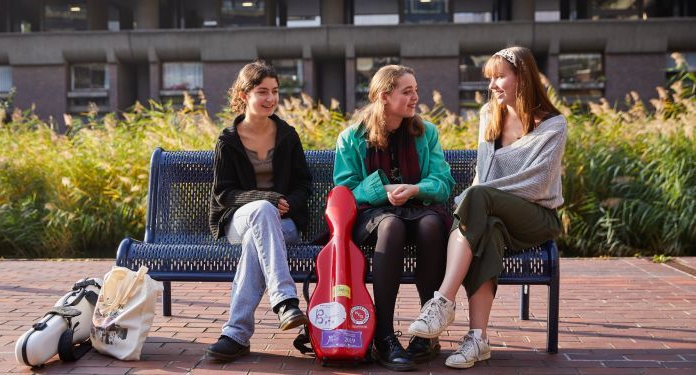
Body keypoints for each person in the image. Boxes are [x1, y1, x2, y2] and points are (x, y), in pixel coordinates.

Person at [407, 46, 567, 369]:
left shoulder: (553, 125)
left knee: (476, 196)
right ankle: (478, 338)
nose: (492, 85)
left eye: (499, 77)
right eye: (489, 79)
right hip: (494, 217)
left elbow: (535, 184)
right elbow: (485, 172)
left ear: (522, 77)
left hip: (536, 217)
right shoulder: (489, 115)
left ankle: (443, 300)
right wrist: (480, 198)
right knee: (488, 230)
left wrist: (478, 197)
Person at [333, 65, 455, 371]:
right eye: (407, 91)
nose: (416, 97)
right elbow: (345, 191)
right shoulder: (352, 137)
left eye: (416, 89)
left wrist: (415, 189)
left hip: (419, 207)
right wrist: (381, 188)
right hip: (374, 216)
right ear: (385, 96)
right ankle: (384, 336)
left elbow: (444, 183)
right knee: (391, 225)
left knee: (430, 225)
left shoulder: (426, 132)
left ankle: (428, 333)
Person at [206, 61, 312, 362]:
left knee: (258, 238)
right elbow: (224, 193)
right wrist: (265, 198)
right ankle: (285, 300)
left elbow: (304, 184)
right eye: (262, 91)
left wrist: (287, 203)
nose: (270, 99)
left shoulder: (288, 135)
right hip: (237, 221)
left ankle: (236, 334)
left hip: (284, 224)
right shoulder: (228, 140)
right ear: (244, 95)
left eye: (275, 92)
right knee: (261, 212)